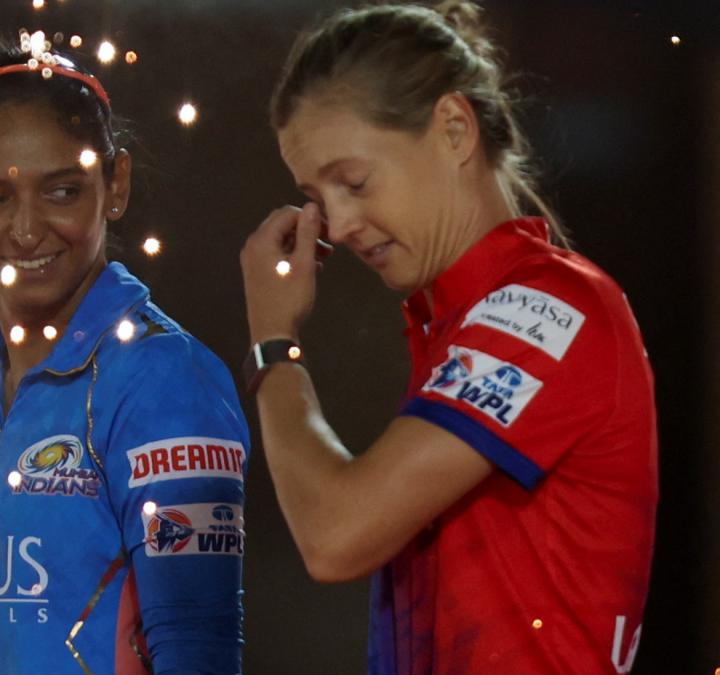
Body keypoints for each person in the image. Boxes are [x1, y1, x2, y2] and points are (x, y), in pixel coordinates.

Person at [238, 2, 657, 673]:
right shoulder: (459, 323)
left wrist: (272, 339)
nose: (338, 225)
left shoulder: (545, 308)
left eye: (353, 181)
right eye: (317, 198)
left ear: (456, 129)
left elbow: (335, 534)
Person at [0, 45, 250, 674]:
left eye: (63, 191)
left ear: (115, 184)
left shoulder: (163, 380)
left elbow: (199, 652)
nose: (25, 231)